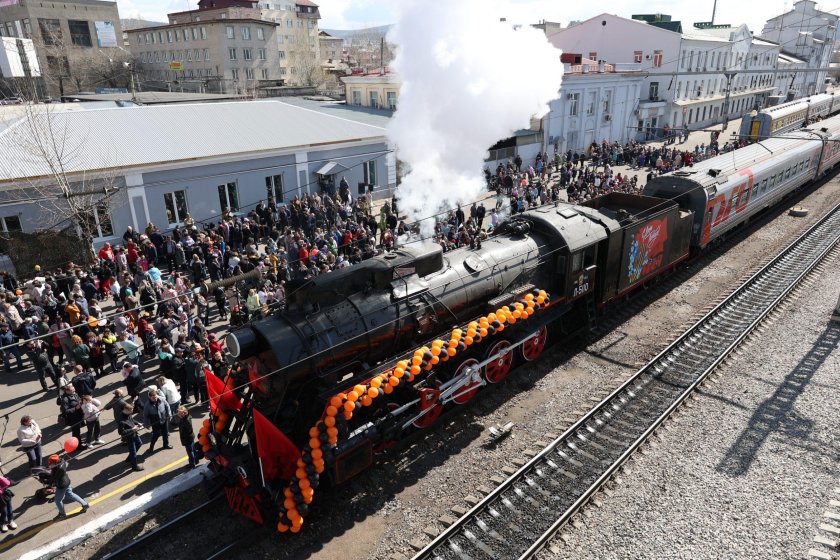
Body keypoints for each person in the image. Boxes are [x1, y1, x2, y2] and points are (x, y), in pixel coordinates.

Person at [48, 454, 89, 519]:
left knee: (57, 500)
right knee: (70, 494)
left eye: (50, 463)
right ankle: (85, 504)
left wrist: (51, 469)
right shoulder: (62, 461)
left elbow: (54, 478)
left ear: (55, 463)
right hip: (67, 482)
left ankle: (62, 514)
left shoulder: (59, 469)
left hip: (62, 485)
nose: (49, 464)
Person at [142, 389, 172, 453]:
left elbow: (167, 406)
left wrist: (169, 414)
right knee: (156, 435)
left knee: (165, 433)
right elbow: (145, 416)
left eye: (156, 396)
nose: (155, 398)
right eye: (153, 398)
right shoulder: (147, 405)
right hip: (155, 421)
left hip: (164, 419)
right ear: (150, 397)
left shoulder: (162, 399)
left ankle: (166, 444)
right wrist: (146, 425)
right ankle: (151, 447)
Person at [117, 404, 144, 472]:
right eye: (131, 411)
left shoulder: (128, 414)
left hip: (134, 433)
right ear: (126, 410)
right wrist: (132, 429)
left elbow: (131, 419)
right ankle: (134, 467)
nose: (132, 412)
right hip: (129, 437)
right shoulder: (121, 420)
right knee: (133, 452)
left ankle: (129, 459)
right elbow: (121, 432)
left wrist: (137, 423)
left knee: (139, 443)